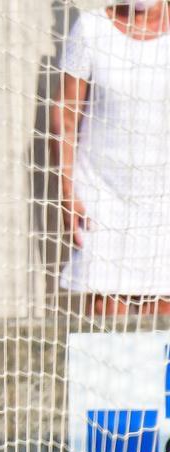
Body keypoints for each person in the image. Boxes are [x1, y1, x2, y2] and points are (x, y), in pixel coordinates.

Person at [55, 1, 170, 315]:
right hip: (101, 197)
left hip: (163, 201)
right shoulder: (90, 29)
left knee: (162, 320)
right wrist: (68, 193)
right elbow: (66, 116)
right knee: (106, 316)